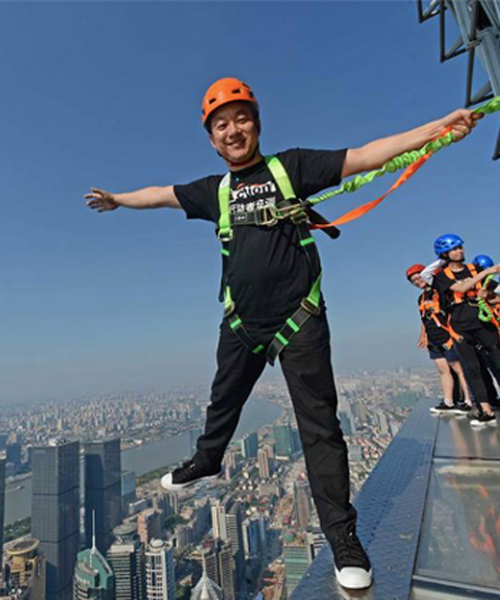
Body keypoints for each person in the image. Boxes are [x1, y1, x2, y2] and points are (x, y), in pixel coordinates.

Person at [85, 77, 481, 590]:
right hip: (242, 322)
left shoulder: (289, 168)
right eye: (221, 124)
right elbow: (160, 195)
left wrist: (438, 128)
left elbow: (367, 156)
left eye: (240, 118)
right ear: (211, 139)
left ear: (257, 123)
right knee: (222, 400)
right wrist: (118, 199)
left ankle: (343, 540)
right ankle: (206, 460)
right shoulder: (214, 191)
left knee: (320, 429)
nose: (233, 130)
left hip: (300, 318)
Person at [432, 235, 500, 426]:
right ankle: (485, 410)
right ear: (445, 254)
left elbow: (494, 295)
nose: (460, 251)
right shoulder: (442, 277)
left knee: (498, 361)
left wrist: (486, 295)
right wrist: (486, 273)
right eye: (455, 249)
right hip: (461, 327)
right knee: (472, 369)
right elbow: (461, 288)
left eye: (460, 248)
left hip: (482, 323)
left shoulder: (475, 269)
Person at [406, 264, 473, 414]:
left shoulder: (440, 292)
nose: (418, 282)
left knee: (459, 369)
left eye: (418, 277)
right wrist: (423, 336)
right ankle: (448, 402)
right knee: (443, 370)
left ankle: (469, 400)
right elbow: (425, 319)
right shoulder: (421, 298)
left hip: (447, 336)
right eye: (414, 281)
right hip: (434, 340)